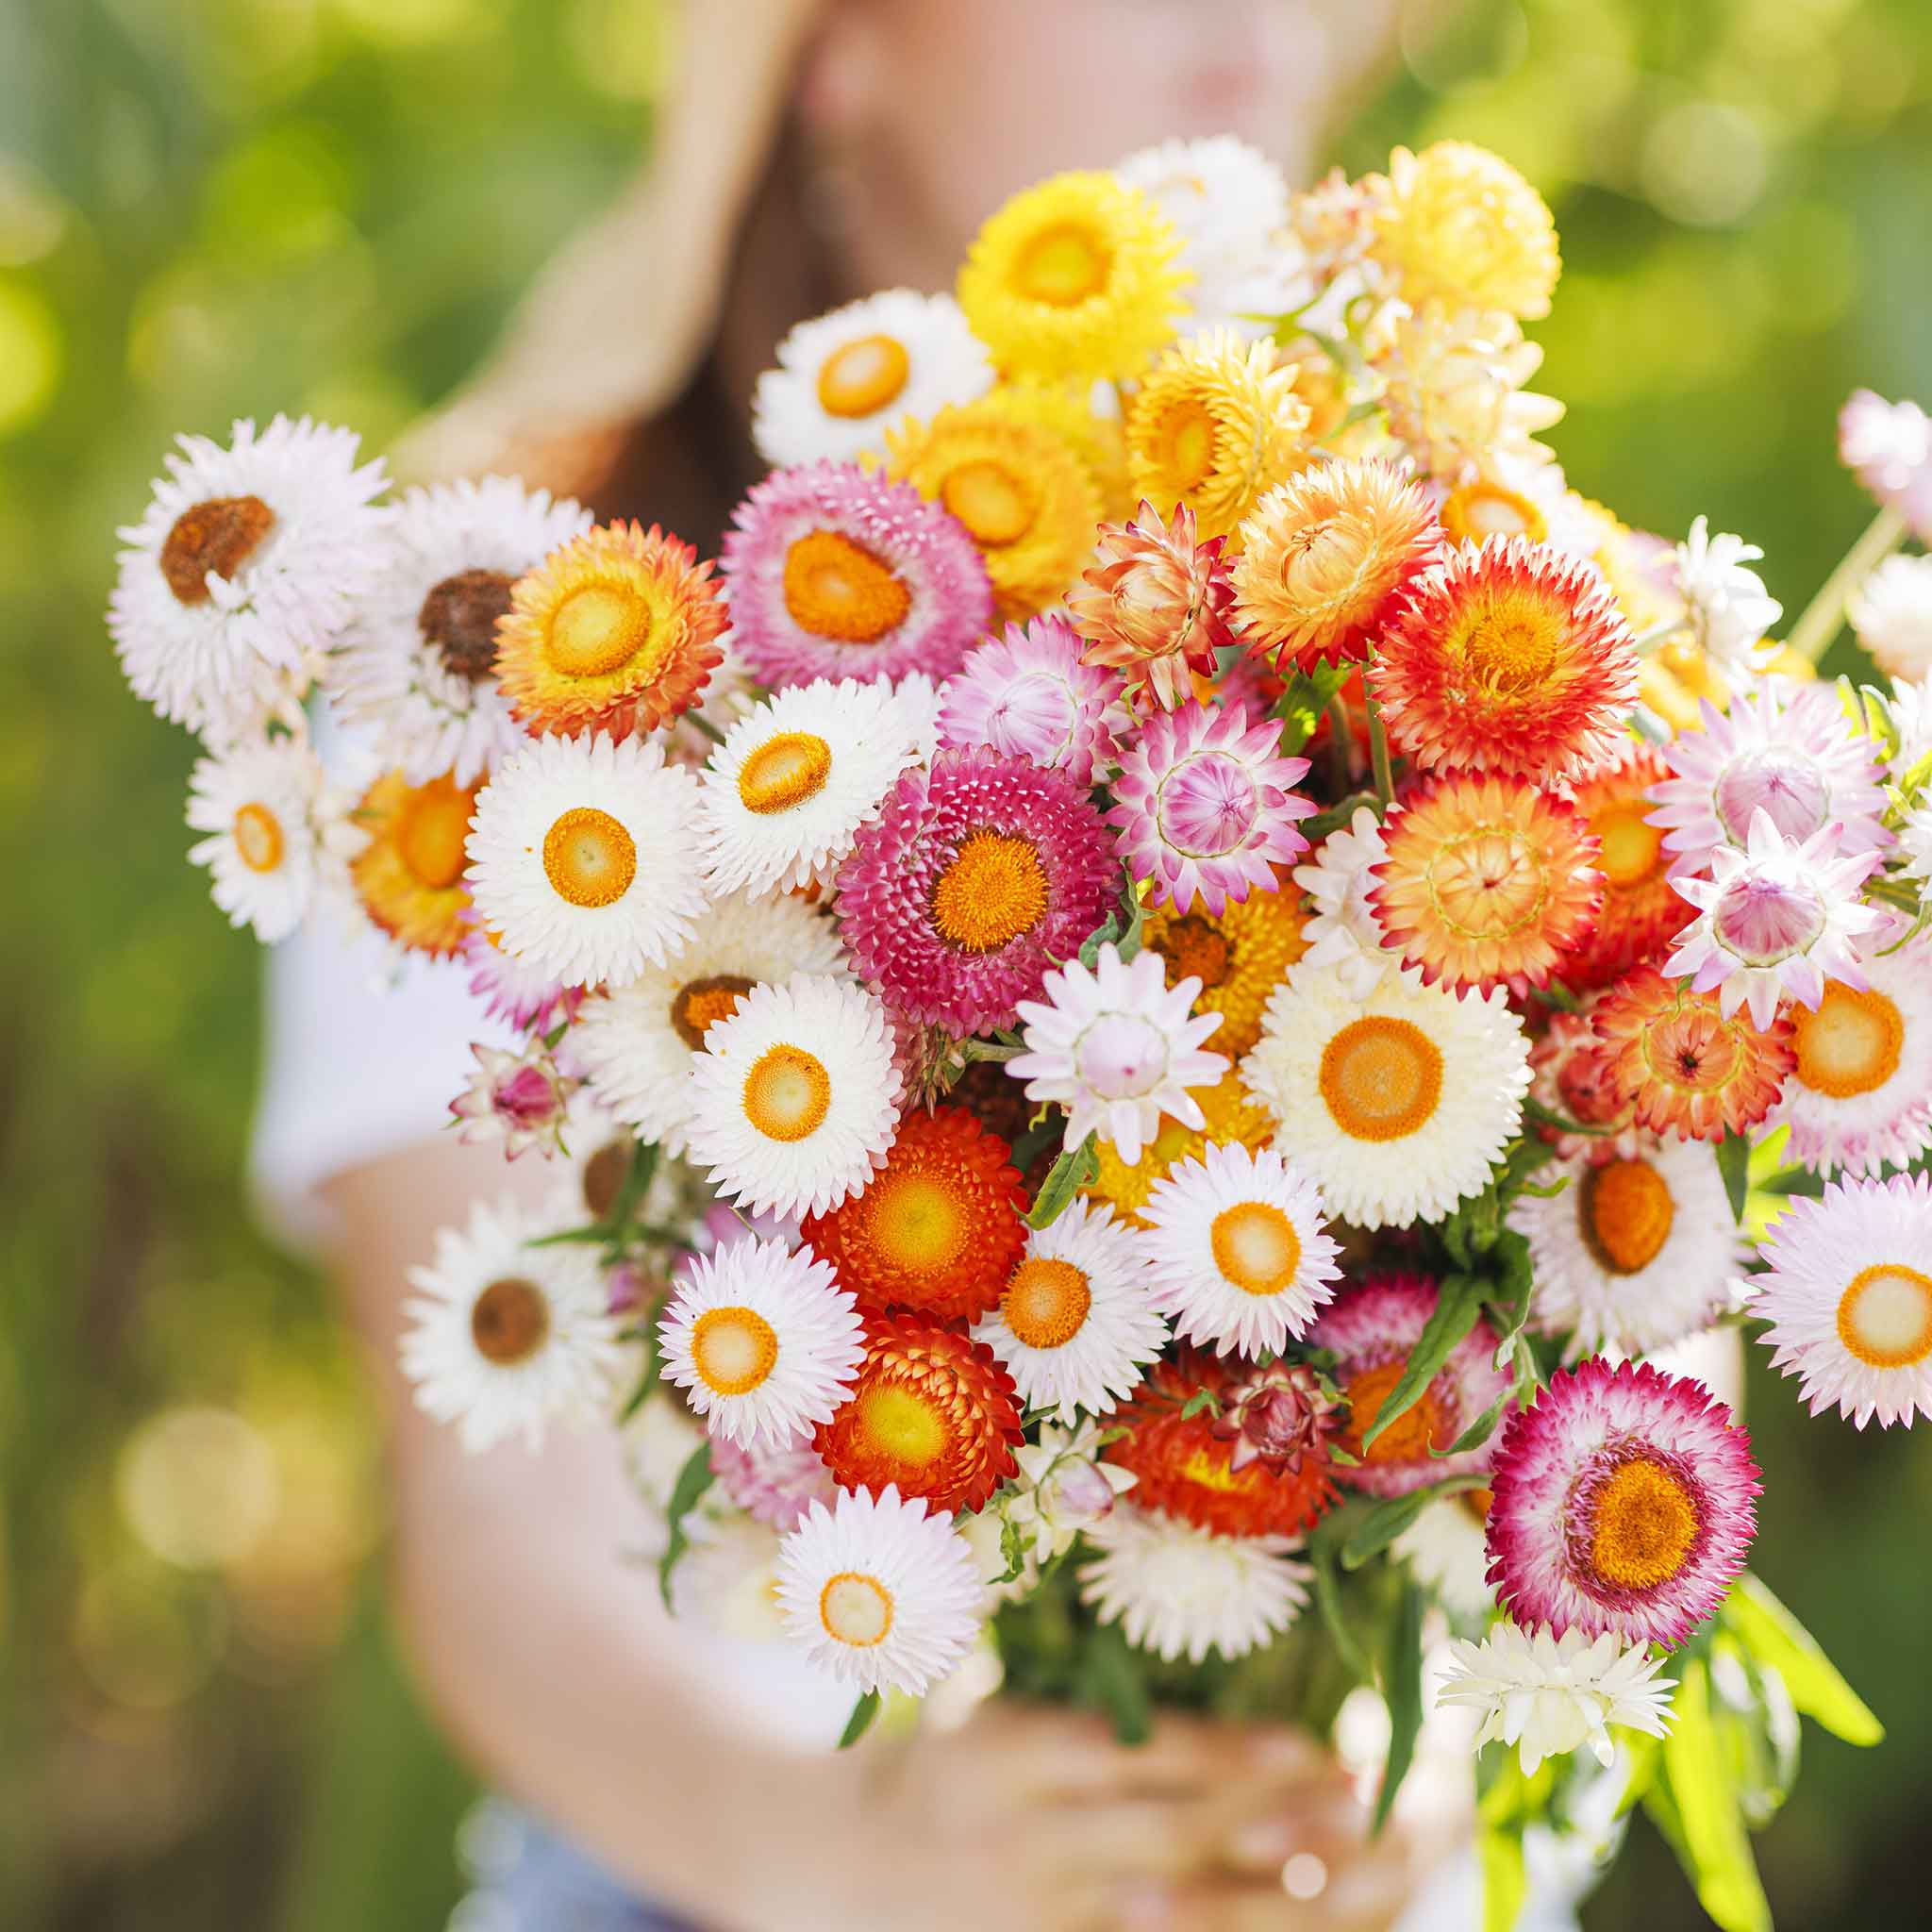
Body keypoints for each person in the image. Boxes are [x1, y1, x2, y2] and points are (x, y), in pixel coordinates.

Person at [255, 4, 1532, 1926]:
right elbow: (485, 1495)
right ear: (838, 53)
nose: (1250, 19)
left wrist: (1449, 1762)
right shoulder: (516, 656)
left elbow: (1610, 1236)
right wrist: (829, 1845)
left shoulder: (1438, 602)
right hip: (717, 1869)